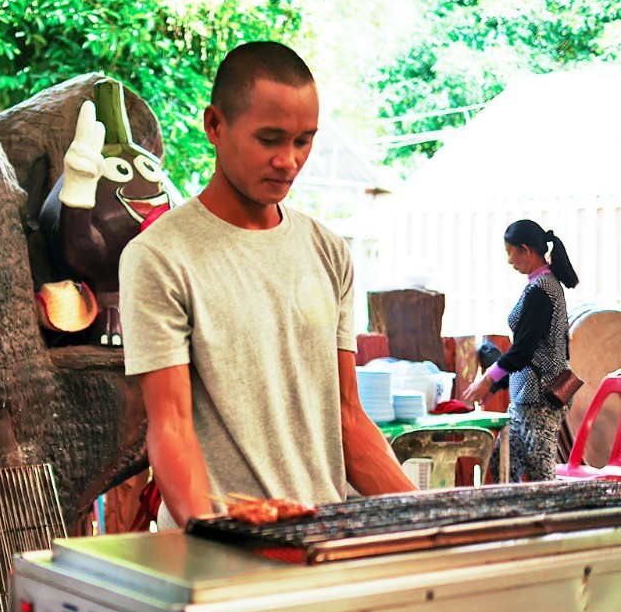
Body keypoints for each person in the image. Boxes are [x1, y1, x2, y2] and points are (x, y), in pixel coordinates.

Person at [118, 41, 416, 530]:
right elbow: (170, 428)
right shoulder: (159, 256)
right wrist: (215, 535)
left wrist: (427, 516)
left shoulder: (329, 251)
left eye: (303, 141)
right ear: (215, 125)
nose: (289, 160)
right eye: (270, 139)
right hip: (219, 547)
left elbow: (346, 417)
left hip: (321, 541)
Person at [463, 219, 579, 482]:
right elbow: (529, 351)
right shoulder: (540, 286)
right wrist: (493, 385)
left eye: (510, 252)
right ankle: (517, 521)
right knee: (502, 465)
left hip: (540, 399)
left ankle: (551, 524)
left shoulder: (543, 290)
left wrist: (488, 378)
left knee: (541, 474)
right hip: (526, 398)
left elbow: (524, 350)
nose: (508, 260)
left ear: (526, 250)